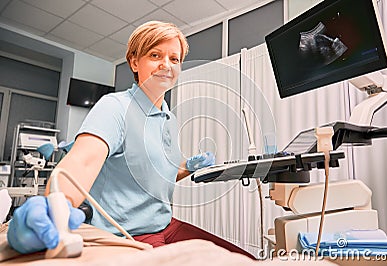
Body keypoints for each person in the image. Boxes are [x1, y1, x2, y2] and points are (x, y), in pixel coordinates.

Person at [7, 21, 255, 259]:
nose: (166, 65)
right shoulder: (115, 107)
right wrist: (55, 207)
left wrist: (187, 166)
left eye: (174, 59)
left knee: (246, 258)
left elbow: (161, 172)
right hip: (128, 235)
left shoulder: (169, 118)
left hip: (166, 224)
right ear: (135, 62)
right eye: (155, 56)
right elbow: (79, 166)